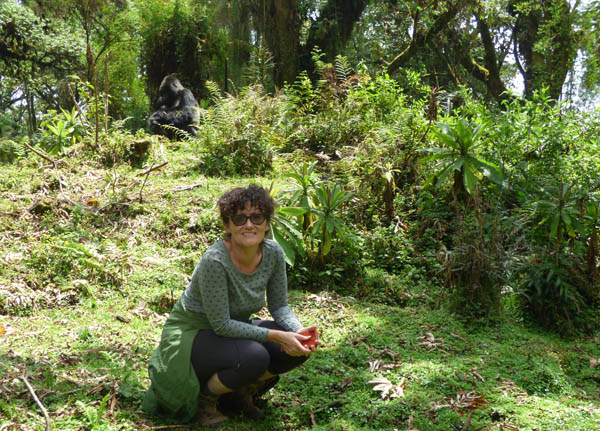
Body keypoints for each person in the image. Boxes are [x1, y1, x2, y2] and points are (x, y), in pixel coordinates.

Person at [143, 184, 318, 426]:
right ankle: (206, 399)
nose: (249, 225)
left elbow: (279, 306)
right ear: (227, 225)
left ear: (267, 223)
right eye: (239, 218)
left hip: (234, 327)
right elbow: (221, 324)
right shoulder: (215, 260)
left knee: (293, 350)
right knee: (255, 356)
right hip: (194, 332)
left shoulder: (273, 253)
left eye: (257, 217)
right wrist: (277, 335)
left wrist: (296, 331)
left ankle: (238, 391)